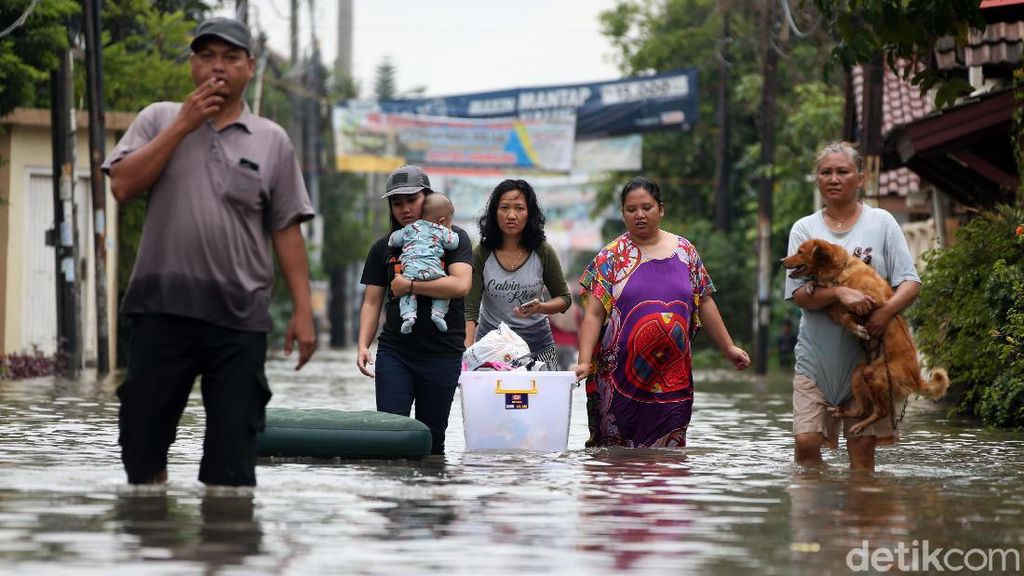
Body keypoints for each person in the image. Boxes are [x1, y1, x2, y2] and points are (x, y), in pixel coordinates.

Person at [103, 17, 316, 487]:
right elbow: (122, 186)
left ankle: (223, 551)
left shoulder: (271, 140)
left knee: (231, 464)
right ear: (193, 63)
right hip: (160, 310)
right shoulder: (158, 118)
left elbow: (286, 230)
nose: (217, 68)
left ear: (250, 67)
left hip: (239, 318)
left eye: (230, 58)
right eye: (207, 56)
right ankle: (151, 545)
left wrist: (303, 312)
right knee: (141, 450)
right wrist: (183, 125)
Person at [574, 176, 750, 447]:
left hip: (672, 377)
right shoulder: (611, 257)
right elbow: (594, 314)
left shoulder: (685, 252)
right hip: (620, 380)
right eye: (631, 210)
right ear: (623, 214)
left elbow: (704, 302)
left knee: (668, 459)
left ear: (661, 209)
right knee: (617, 459)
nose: (640, 215)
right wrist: (585, 361)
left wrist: (729, 348)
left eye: (647, 207)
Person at [784, 141, 921, 472]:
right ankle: (817, 514)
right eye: (826, 172)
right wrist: (840, 294)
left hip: (869, 359)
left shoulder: (882, 222)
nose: (833, 178)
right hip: (816, 358)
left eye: (842, 171)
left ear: (860, 178)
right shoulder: (804, 229)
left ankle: (858, 517)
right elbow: (800, 295)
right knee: (806, 444)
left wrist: (883, 315)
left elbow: (911, 282)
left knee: (861, 454)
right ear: (817, 179)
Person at [357, 166, 472, 455]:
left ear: (428, 198)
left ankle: (430, 500)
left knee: (433, 443)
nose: (405, 209)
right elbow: (372, 301)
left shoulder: (453, 239)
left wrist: (408, 286)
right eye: (397, 203)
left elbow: (460, 286)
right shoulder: (384, 247)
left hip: (443, 353)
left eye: (412, 200)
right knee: (391, 435)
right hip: (396, 353)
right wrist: (362, 344)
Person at [465, 179, 571, 370]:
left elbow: (564, 299)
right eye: (504, 207)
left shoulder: (543, 250)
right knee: (492, 400)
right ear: (494, 212)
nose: (511, 215)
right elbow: (470, 310)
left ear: (529, 213)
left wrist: (541, 307)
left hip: (538, 347)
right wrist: (467, 354)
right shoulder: (480, 253)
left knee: (544, 399)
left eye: (519, 208)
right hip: (492, 350)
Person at [388, 194, 460, 333]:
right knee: (443, 291)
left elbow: (393, 240)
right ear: (443, 220)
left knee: (406, 293)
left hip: (411, 271)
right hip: (433, 271)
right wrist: (449, 230)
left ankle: (408, 317)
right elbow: (453, 244)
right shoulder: (442, 230)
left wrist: (394, 238)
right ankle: (438, 314)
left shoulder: (410, 228)